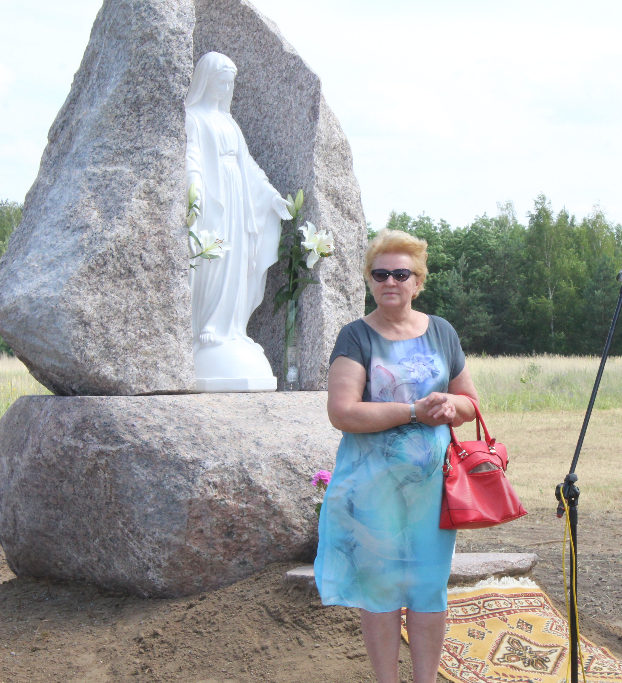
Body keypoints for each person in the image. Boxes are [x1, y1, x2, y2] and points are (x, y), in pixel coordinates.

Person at [314, 228, 480, 683]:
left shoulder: (442, 332)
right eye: (380, 273)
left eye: (400, 273)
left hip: (431, 491)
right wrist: (413, 410)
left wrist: (449, 406)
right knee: (382, 591)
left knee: (429, 589)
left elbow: (470, 404)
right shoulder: (356, 336)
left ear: (418, 281)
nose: (390, 281)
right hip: (373, 490)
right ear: (370, 281)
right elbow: (342, 412)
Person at [185, 51, 291, 386]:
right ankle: (207, 327)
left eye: (230, 82)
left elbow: (248, 167)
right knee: (213, 262)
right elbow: (192, 157)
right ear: (206, 80)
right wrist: (195, 190)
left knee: (237, 261)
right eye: (221, 80)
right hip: (214, 203)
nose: (226, 87)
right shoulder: (194, 117)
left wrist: (271, 197)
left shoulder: (230, 123)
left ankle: (232, 328)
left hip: (237, 199)